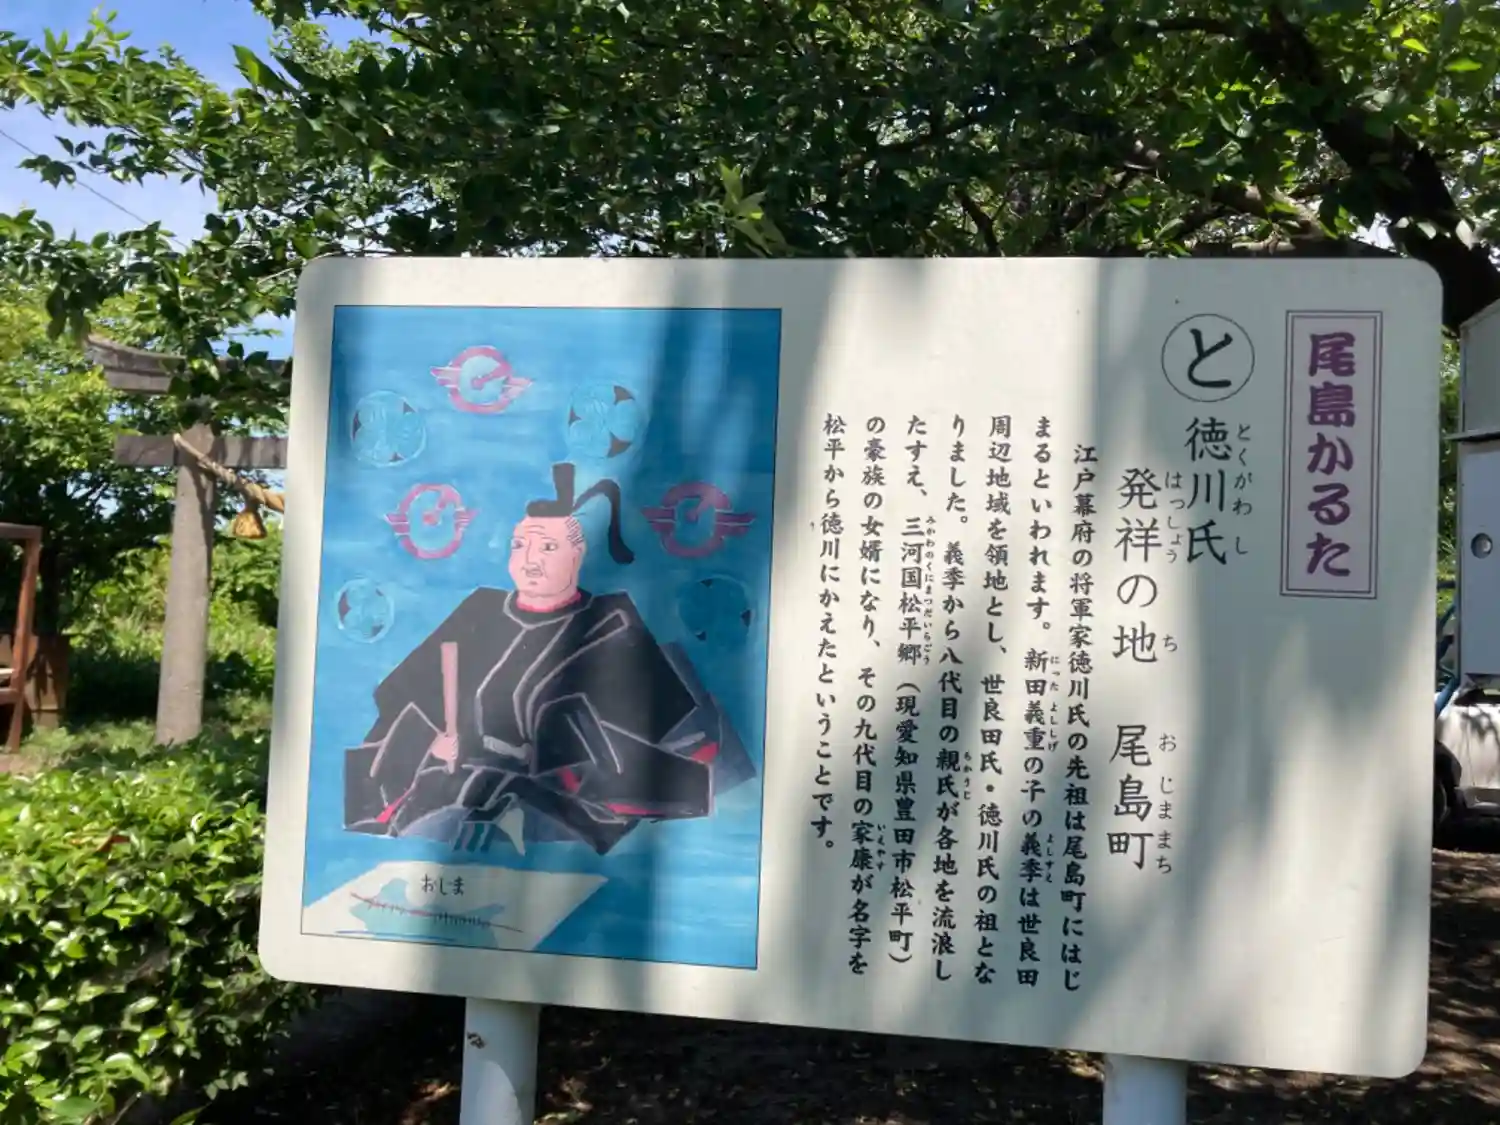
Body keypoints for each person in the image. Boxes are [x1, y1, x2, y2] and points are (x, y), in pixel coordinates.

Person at [343, 463, 754, 854]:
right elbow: (405, 709)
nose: (531, 560)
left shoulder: (611, 622)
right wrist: (433, 743)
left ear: (579, 556)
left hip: (562, 814)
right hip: (456, 796)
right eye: (519, 545)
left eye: (549, 547)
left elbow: (653, 748)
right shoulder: (479, 612)